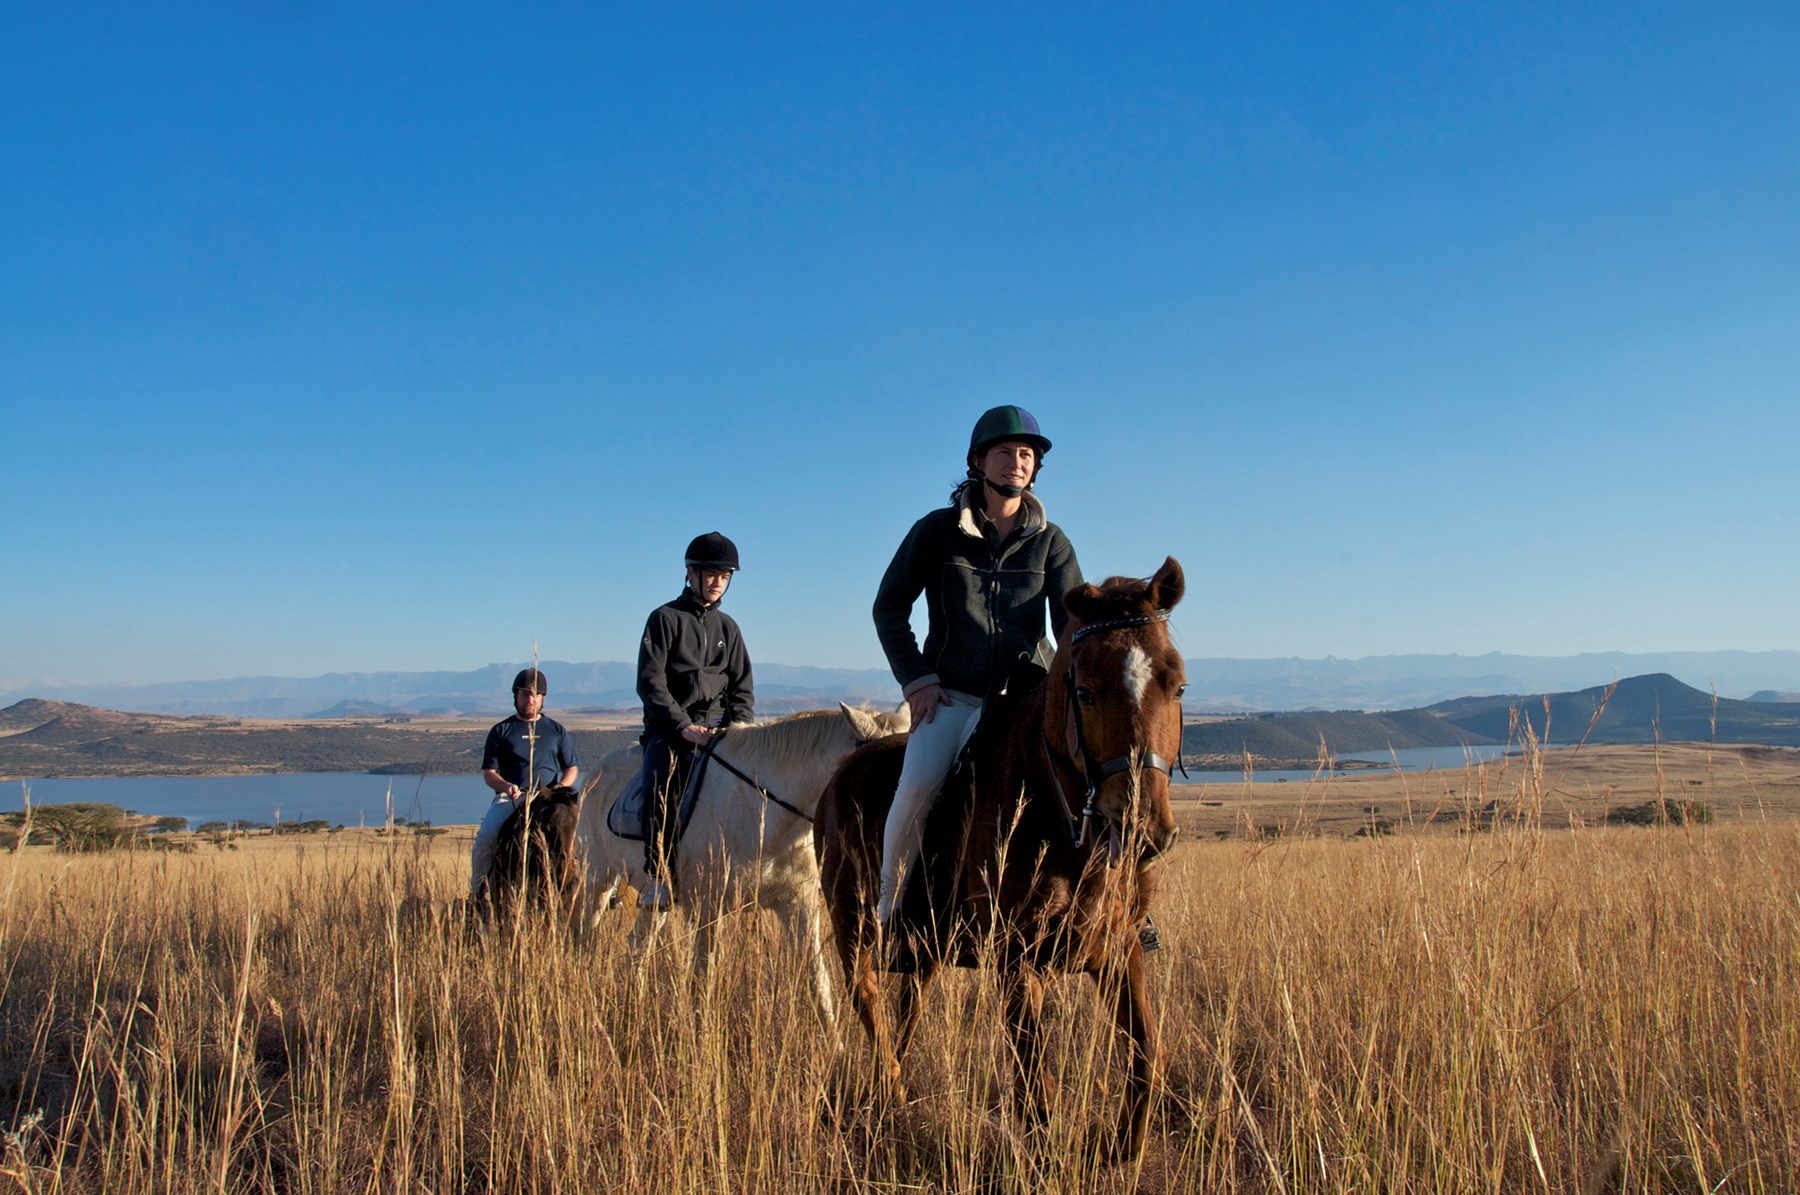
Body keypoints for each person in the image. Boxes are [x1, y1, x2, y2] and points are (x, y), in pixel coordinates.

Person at [871, 405, 1083, 932]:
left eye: (1027, 454)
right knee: (917, 786)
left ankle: (1124, 907)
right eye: (1006, 452)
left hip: (1026, 702)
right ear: (978, 461)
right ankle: (890, 908)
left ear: (1035, 469)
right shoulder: (936, 531)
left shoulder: (1052, 541)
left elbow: (1072, 624)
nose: (1017, 461)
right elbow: (889, 607)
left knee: (1094, 781)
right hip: (952, 697)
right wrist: (918, 680)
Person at [635, 531, 755, 908]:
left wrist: (740, 728)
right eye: (711, 574)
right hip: (671, 729)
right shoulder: (664, 619)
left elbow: (741, 686)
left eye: (725, 576)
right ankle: (659, 877)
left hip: (719, 729)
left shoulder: (729, 629)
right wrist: (682, 726)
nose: (718, 583)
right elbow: (650, 682)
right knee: (662, 784)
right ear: (691, 573)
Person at [471, 667, 580, 898]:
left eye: (536, 695)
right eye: (525, 694)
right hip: (512, 798)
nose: (530, 700)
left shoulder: (556, 730)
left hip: (551, 800)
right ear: (515, 696)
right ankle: (480, 893)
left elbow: (571, 768)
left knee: (583, 834)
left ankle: (602, 889)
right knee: (486, 838)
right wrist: (506, 786)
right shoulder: (501, 730)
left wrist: (561, 786)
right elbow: (489, 773)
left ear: (542, 698)